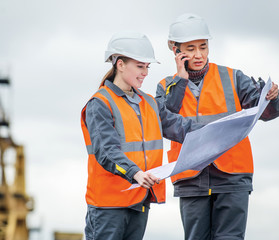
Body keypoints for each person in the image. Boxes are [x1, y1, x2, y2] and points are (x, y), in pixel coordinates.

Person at [156, 13, 279, 240]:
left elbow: (268, 112)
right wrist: (181, 79)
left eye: (203, 47)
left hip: (233, 175)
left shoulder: (233, 77)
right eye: (190, 48)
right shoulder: (166, 86)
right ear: (175, 50)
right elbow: (165, 120)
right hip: (191, 177)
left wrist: (273, 98)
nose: (199, 54)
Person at [80, 32, 201, 240]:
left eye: (147, 67)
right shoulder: (100, 103)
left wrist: (220, 130)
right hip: (108, 206)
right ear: (120, 64)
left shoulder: (150, 103)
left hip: (139, 201)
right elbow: (106, 151)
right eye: (140, 66)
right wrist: (135, 173)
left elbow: (180, 127)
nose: (145, 72)